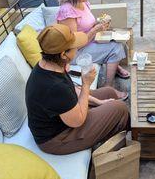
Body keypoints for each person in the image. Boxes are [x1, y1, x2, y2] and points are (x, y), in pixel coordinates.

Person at [25, 24, 130, 155]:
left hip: (64, 118)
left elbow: (71, 90)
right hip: (57, 138)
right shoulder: (53, 86)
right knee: (120, 108)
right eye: (75, 47)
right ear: (63, 54)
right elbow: (78, 120)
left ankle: (110, 133)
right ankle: (115, 146)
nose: (78, 49)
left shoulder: (50, 65)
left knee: (109, 93)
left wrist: (99, 102)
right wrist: (86, 84)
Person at [56, 0, 129, 94]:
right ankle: (108, 88)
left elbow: (86, 25)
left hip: (89, 41)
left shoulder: (83, 3)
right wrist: (95, 29)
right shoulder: (67, 12)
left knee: (118, 41)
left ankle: (115, 66)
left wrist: (99, 25)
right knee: (116, 48)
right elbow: (74, 45)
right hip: (75, 53)